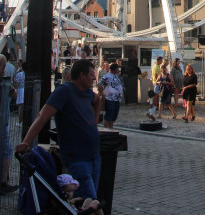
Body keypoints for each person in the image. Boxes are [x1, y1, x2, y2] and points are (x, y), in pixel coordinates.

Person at [16, 59, 101, 200]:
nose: (94, 78)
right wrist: (26, 141)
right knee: (88, 198)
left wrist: (94, 122)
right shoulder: (64, 92)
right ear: (81, 75)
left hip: (94, 155)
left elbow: (97, 100)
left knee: (91, 199)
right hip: (77, 157)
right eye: (91, 74)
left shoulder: (87, 92)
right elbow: (42, 116)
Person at [0, 56, 17, 194]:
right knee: (7, 150)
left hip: (4, 120)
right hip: (2, 122)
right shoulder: (4, 82)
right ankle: (3, 182)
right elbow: (15, 94)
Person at [97, 62, 123, 129]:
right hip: (110, 99)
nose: (118, 70)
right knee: (109, 115)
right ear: (115, 69)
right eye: (118, 68)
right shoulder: (107, 76)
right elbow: (99, 84)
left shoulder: (117, 77)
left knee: (114, 115)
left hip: (117, 99)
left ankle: (111, 128)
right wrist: (102, 93)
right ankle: (106, 129)